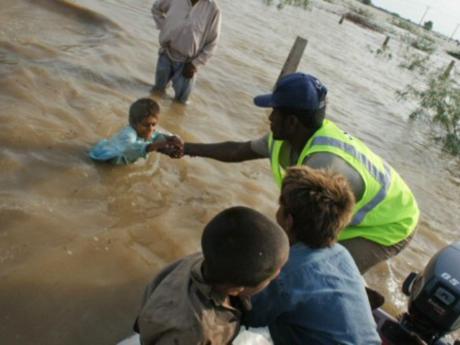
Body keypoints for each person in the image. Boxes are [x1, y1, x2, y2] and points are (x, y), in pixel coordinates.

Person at [168, 72, 420, 273]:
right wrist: (185, 148)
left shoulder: (324, 167)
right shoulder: (286, 138)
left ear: (291, 122)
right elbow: (238, 150)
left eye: (274, 112)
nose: (269, 117)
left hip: (391, 224)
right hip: (355, 209)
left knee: (318, 270)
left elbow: (309, 236)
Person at [244, 166, 382, 345]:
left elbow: (251, 315)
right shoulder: (342, 254)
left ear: (288, 220)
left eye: (281, 206)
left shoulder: (285, 273)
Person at [132, 206, 290, 345]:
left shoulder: (205, 258)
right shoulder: (202, 331)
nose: (277, 275)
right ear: (236, 290)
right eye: (270, 277)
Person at [150, 0, 221, 103]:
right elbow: (156, 8)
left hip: (188, 64)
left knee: (181, 102)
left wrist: (195, 64)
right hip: (166, 53)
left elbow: (212, 43)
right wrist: (165, 28)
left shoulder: (213, 10)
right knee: (157, 92)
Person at [89, 98, 181, 165]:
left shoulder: (147, 130)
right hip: (104, 159)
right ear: (132, 122)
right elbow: (129, 148)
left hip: (115, 151)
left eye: (153, 124)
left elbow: (158, 134)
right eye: (146, 125)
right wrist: (153, 146)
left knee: (160, 137)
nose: (150, 129)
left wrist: (172, 138)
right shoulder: (129, 134)